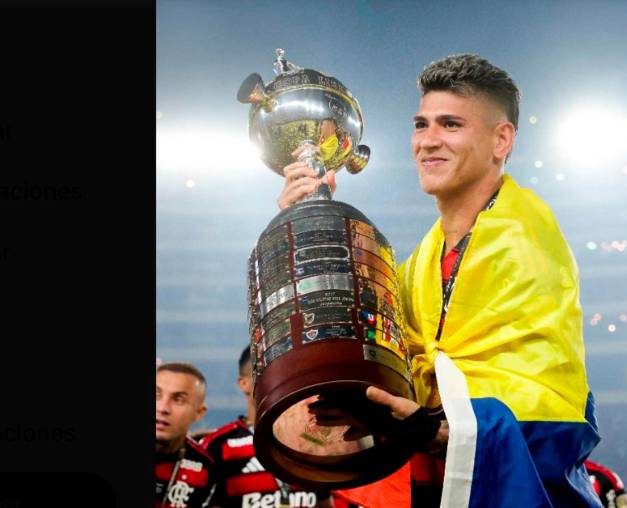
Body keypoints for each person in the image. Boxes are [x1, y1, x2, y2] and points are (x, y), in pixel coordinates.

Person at [278, 54, 601, 507]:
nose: (427, 142)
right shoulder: (426, 258)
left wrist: (432, 427)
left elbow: (544, 407)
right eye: (420, 124)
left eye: (450, 125)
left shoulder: (524, 242)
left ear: (500, 139)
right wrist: (311, 222)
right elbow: (377, 338)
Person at [199, 346, 333, 508]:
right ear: (244, 384)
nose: (280, 381)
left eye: (288, 373)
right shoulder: (216, 445)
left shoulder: (313, 441)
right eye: (268, 374)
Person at [156, 362, 216, 508]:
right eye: (156, 395)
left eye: (178, 399)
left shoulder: (206, 467)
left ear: (199, 412)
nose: (163, 408)